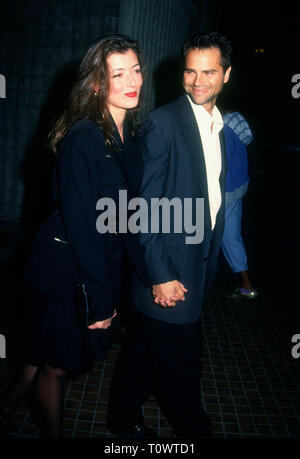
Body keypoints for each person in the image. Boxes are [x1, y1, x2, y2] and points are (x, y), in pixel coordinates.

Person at [0, 34, 145, 438]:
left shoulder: (125, 133)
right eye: (118, 73)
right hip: (66, 268)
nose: (131, 80)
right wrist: (100, 298)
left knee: (41, 350)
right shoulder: (84, 137)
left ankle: (5, 407)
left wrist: (146, 272)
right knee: (56, 365)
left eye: (135, 69)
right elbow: (83, 226)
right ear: (98, 83)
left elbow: (126, 212)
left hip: (92, 260)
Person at [107, 32, 232, 439]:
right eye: (191, 71)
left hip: (195, 268)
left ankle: (121, 420)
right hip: (170, 275)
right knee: (183, 377)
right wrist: (159, 273)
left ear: (227, 75)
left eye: (209, 72)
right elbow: (143, 206)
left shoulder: (219, 125)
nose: (198, 81)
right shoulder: (164, 122)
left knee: (142, 353)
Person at [222, 111, 258, 299]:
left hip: (223, 193)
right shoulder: (238, 123)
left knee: (197, 236)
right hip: (238, 188)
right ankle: (246, 285)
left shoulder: (223, 129)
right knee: (231, 237)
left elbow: (219, 166)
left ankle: (188, 285)